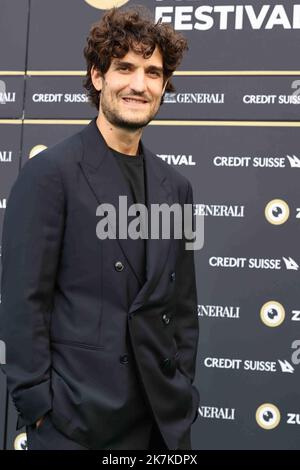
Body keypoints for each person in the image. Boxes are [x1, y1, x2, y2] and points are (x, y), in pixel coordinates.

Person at [0, 5, 200, 450]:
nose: (138, 84)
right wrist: (39, 408)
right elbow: (23, 301)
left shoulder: (178, 188)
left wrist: (182, 388)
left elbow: (183, 306)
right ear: (97, 76)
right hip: (76, 423)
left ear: (164, 85)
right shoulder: (49, 174)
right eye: (124, 67)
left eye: (153, 72)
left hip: (160, 423)